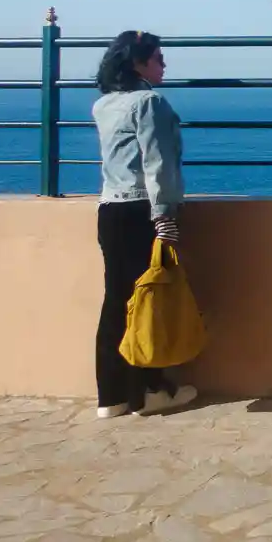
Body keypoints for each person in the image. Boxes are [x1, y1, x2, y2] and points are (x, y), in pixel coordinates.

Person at [91, 31, 199, 418]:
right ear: (138, 63)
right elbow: (158, 163)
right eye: (157, 58)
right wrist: (164, 215)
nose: (163, 65)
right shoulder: (149, 103)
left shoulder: (104, 104)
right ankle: (151, 391)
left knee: (117, 301)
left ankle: (112, 396)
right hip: (141, 211)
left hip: (110, 209)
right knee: (148, 301)